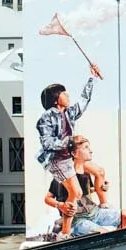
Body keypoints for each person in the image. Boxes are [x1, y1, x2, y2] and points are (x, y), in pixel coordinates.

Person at [36, 72, 99, 238]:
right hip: (55, 159)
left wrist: (92, 78)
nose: (67, 95)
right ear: (56, 99)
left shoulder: (69, 113)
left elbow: (84, 102)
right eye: (64, 93)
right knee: (76, 193)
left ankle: (65, 229)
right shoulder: (46, 117)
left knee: (86, 184)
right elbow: (47, 143)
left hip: (67, 157)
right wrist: (69, 143)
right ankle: (65, 231)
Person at [43, 135, 126, 236]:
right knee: (102, 233)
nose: (91, 151)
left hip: (94, 212)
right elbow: (48, 198)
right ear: (74, 153)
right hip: (78, 219)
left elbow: (88, 190)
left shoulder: (85, 174)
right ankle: (65, 232)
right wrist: (60, 205)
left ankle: (120, 239)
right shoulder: (63, 178)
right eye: (86, 148)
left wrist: (101, 188)